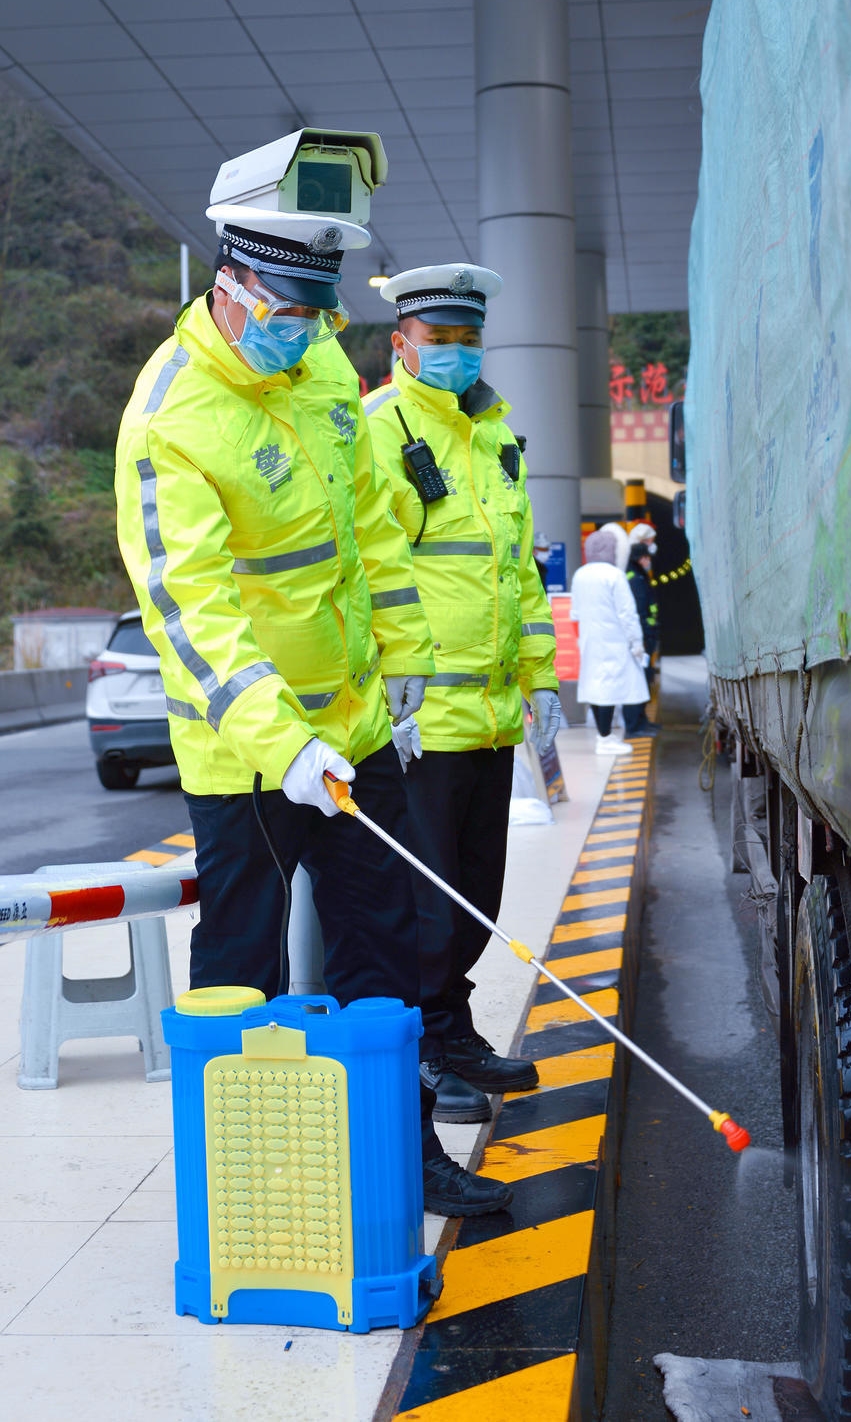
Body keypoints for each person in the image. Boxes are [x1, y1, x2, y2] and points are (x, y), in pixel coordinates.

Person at [114, 137, 511, 1218]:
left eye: (319, 312)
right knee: (241, 963)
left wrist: (406, 671)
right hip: (246, 755)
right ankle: (245, 1179)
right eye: (288, 311)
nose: (307, 332)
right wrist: (283, 746)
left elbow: (371, 532)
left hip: (357, 726)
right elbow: (191, 617)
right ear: (230, 289)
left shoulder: (324, 362)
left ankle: (394, 1151)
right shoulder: (171, 422)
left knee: (381, 943)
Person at [363, 263, 563, 1125]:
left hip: (487, 715)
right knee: (424, 903)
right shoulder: (377, 431)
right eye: (438, 337)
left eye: (468, 336)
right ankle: (421, 1051)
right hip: (419, 720)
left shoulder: (495, 440)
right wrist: (379, 691)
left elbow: (518, 576)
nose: (454, 350)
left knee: (477, 892)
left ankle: (452, 1028)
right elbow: (367, 570)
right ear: (399, 342)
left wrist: (540, 679)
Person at [570, 528, 650, 755]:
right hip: (614, 641)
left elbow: (574, 613)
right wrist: (637, 643)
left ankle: (603, 734)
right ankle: (605, 739)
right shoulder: (614, 575)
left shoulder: (580, 574)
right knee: (608, 689)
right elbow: (627, 613)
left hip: (589, 639)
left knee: (596, 688)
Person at [625, 526, 661, 738]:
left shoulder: (639, 576)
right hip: (641, 638)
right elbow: (639, 610)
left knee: (644, 680)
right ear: (640, 558)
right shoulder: (635, 579)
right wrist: (646, 636)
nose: (649, 561)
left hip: (645, 637)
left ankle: (642, 721)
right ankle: (634, 725)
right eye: (646, 557)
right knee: (637, 681)